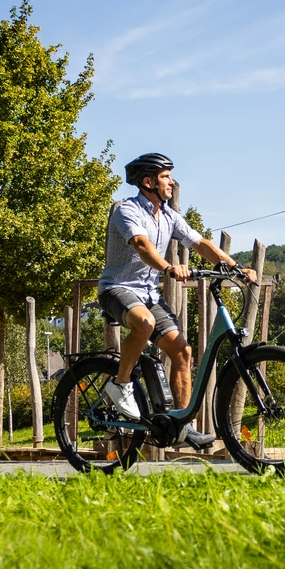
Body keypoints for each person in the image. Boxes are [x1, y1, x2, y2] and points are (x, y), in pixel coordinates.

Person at [97, 153, 256, 444]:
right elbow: (141, 245)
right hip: (117, 288)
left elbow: (200, 243)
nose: (171, 182)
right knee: (144, 323)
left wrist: (236, 267)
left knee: (182, 352)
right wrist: (168, 267)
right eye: (165, 177)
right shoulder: (127, 210)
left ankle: (182, 425)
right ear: (148, 182)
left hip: (148, 294)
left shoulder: (169, 216)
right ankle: (120, 384)